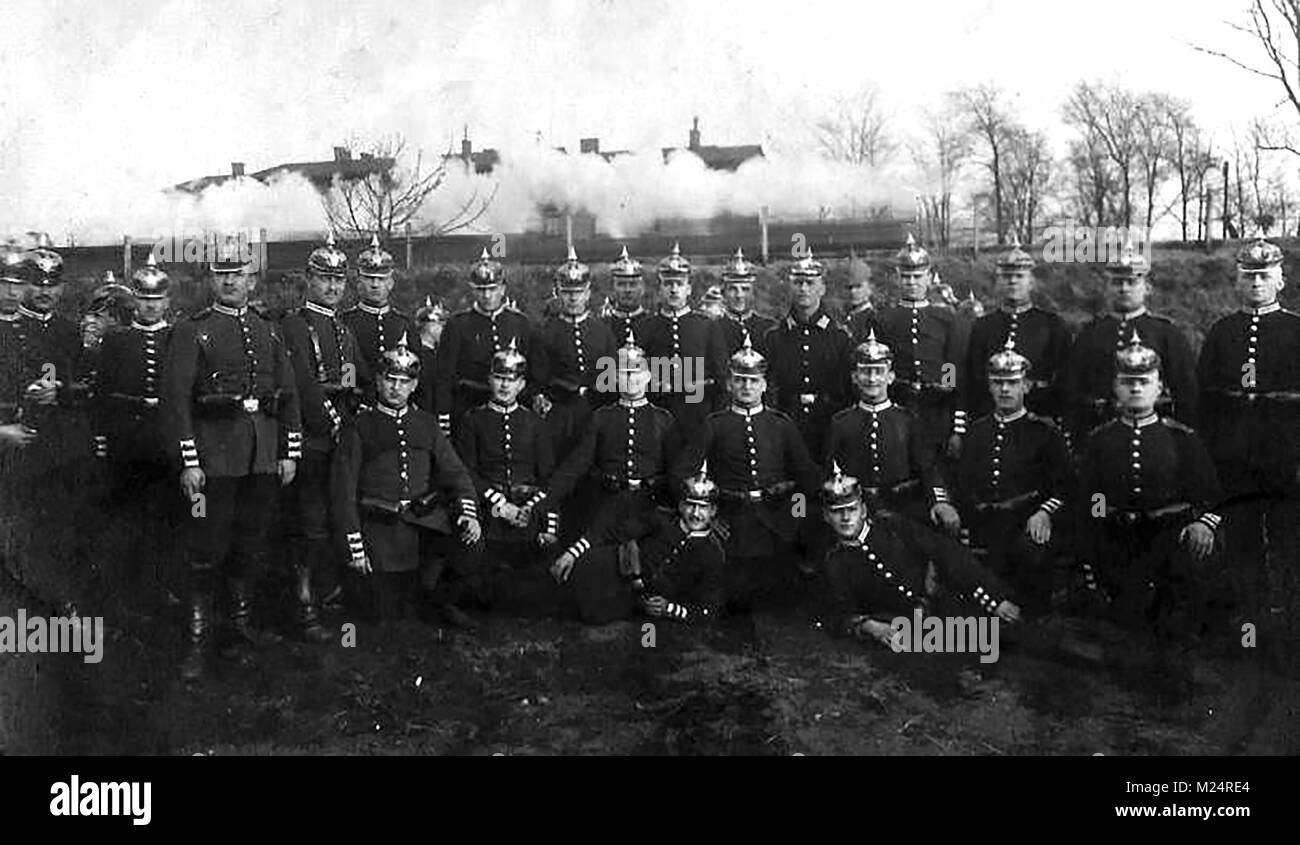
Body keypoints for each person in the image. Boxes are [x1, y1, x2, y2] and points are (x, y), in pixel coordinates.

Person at [162, 239, 303, 681]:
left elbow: (290, 391)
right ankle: (198, 641)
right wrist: (189, 461)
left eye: (238, 274)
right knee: (206, 546)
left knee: (250, 543)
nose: (230, 282)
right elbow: (175, 401)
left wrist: (289, 451)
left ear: (251, 279)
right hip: (213, 460)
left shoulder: (269, 328)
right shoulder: (193, 330)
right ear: (212, 279)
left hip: (261, 456)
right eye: (222, 274)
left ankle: (240, 631)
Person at [1074, 332, 1223, 651]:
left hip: (1169, 539)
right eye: (1128, 382)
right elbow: (1091, 496)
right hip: (1119, 539)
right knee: (1127, 629)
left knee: (1171, 626)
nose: (1136, 388)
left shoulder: (1183, 439)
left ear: (1160, 388)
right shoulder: (1100, 440)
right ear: (1116, 388)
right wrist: (1099, 532)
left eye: (1144, 381)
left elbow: (1210, 496)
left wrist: (1201, 524)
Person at [1197, 237, 1300, 664]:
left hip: (1286, 459)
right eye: (1248, 276)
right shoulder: (1223, 332)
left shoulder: (1297, 329)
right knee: (1243, 551)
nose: (1256, 283)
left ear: (1281, 278)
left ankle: (1290, 640)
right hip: (1235, 461)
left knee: (1290, 547)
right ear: (1237, 281)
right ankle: (1249, 637)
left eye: (1264, 275)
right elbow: (1205, 399)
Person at [331, 336, 481, 623]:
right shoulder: (360, 427)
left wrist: (469, 513)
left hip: (422, 525)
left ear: (414, 385)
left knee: (467, 545)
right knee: (382, 617)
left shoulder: (426, 423)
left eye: (403, 382)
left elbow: (455, 472)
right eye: (390, 380)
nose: (396, 388)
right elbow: (343, 492)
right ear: (378, 381)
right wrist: (355, 547)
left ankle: (438, 600)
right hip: (380, 530)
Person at [673, 335, 820, 612]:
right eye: (740, 380)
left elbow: (807, 476)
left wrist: (793, 513)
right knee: (730, 601)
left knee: (783, 597)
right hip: (730, 521)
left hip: (775, 520)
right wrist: (706, 515)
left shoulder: (781, 424)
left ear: (764, 385)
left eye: (753, 381)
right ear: (729, 384)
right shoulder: (714, 424)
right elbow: (682, 473)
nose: (746, 386)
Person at [818, 464, 1020, 647]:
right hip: (908, 630)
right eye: (837, 512)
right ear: (826, 517)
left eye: (851, 510)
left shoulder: (892, 526)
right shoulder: (834, 561)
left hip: (948, 605)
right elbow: (837, 613)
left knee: (1014, 634)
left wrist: (995, 599)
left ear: (863, 511)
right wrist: (870, 626)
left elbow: (947, 553)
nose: (845, 518)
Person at [280, 233, 362, 640]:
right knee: (309, 523)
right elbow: (304, 386)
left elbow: (354, 382)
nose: (332, 287)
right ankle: (304, 604)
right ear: (308, 280)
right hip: (312, 440)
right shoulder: (295, 325)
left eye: (339, 280)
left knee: (337, 516)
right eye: (324, 278)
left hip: (341, 441)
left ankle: (331, 595)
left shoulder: (344, 331)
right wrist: (333, 421)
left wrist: (357, 417)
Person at [954, 340, 1072, 615]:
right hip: (984, 521)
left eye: (1012, 382)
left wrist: (1044, 513)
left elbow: (1066, 486)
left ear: (1026, 386)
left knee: (1030, 553)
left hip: (1025, 522)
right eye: (997, 382)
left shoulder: (1045, 432)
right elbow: (963, 483)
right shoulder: (977, 431)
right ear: (989, 386)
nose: (1004, 389)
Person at [543, 331, 682, 548]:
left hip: (649, 508)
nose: (631, 379)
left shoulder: (663, 419)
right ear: (615, 377)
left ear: (648, 376)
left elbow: (677, 472)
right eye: (624, 373)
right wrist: (542, 502)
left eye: (637, 373)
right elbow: (576, 464)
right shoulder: (602, 416)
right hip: (605, 505)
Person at [452, 339, 559, 614]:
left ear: (522, 384)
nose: (504, 385)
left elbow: (548, 477)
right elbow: (465, 472)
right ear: (489, 379)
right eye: (499, 378)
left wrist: (547, 524)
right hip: (489, 512)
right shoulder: (473, 420)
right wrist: (499, 504)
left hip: (527, 512)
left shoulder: (535, 423)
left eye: (511, 380)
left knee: (536, 589)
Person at [553, 461, 724, 625]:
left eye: (703, 508)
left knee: (644, 641)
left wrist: (670, 609)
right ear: (680, 505)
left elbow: (708, 610)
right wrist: (572, 553)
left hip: (645, 608)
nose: (695, 514)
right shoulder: (660, 520)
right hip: (614, 576)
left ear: (713, 511)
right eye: (690, 505)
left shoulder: (713, 552)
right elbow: (611, 533)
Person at [1063, 242, 1198, 441]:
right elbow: (1072, 390)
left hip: (1155, 434)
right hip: (1097, 432)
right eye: (1117, 282)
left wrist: (1183, 436)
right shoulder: (1090, 334)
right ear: (1107, 287)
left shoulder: (1167, 334)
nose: (1124, 289)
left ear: (1147, 288)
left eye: (1132, 282)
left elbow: (1186, 391)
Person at [823, 330, 955, 532]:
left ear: (891, 376)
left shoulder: (908, 420)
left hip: (903, 508)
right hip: (857, 511)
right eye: (866, 371)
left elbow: (928, 467)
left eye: (878, 371)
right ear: (855, 377)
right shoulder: (841, 422)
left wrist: (940, 501)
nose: (872, 378)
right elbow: (829, 472)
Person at [876, 234, 966, 463]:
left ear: (929, 278)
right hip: (899, 408)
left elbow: (952, 369)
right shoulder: (885, 319)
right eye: (906, 277)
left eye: (917, 276)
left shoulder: (945, 319)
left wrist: (957, 428)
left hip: (937, 412)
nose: (912, 282)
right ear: (898, 278)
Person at [962, 235, 1071, 423]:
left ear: (1031, 282)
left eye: (1019, 276)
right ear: (998, 282)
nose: (1012, 281)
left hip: (1039, 417)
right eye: (1006, 276)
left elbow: (1065, 378)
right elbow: (969, 378)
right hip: (990, 419)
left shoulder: (1052, 325)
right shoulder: (982, 326)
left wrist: (1056, 417)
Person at [433, 248, 535, 438]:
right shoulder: (457, 325)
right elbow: (444, 375)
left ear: (503, 289)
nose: (487, 296)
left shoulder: (520, 324)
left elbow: (532, 370)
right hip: (468, 407)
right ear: (473, 290)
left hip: (512, 410)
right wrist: (444, 415)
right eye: (481, 290)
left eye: (492, 289)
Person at [763, 249, 853, 461]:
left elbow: (848, 390)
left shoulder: (840, 338)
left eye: (810, 283)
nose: (803, 288)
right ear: (790, 287)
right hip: (787, 423)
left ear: (822, 289)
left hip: (829, 423)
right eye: (798, 282)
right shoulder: (774, 338)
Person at [531, 247, 618, 452]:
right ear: (558, 293)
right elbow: (538, 379)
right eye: (567, 292)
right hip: (559, 413)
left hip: (596, 411)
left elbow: (611, 378)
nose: (572, 298)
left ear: (588, 294)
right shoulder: (545, 332)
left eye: (578, 293)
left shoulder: (602, 332)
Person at [639, 243, 728, 434]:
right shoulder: (645, 328)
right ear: (659, 288)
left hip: (698, 417)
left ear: (689, 288)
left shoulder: (707, 326)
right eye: (668, 284)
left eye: (679, 284)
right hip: (656, 418)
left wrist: (716, 425)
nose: (673, 290)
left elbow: (720, 381)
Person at [339, 235, 410, 399]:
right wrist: (351, 397)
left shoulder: (403, 324)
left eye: (381, 279)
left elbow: (415, 368)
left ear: (391, 283)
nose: (375, 285)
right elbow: (346, 366)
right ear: (358, 283)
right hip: (361, 402)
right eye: (369, 278)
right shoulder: (346, 322)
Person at [717, 248, 775, 357]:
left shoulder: (769, 328)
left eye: (745, 289)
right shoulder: (711, 328)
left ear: (753, 293)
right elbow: (695, 370)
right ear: (723, 293)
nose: (739, 295)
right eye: (733, 289)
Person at [602, 245, 650, 345]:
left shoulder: (652, 324)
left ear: (642, 288)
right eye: (621, 284)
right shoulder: (604, 325)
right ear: (612, 289)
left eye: (633, 285)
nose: (627, 290)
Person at [411, 295, 447, 413]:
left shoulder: (432, 354)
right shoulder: (422, 357)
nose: (443, 329)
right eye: (440, 324)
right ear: (430, 326)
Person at [841, 264, 878, 344]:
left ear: (870, 288)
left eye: (858, 287)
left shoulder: (874, 319)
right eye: (849, 287)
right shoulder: (842, 316)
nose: (853, 292)